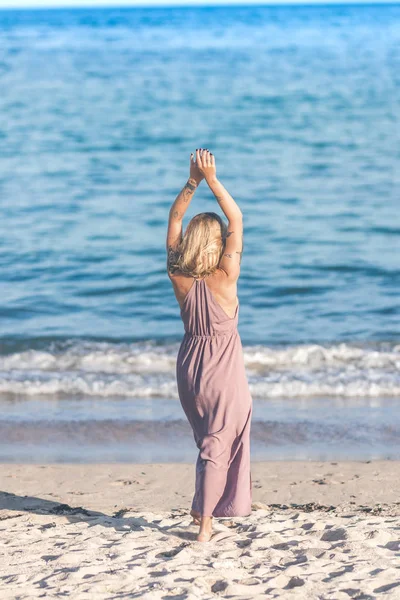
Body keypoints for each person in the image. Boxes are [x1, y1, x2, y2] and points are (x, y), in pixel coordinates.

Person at [166, 148, 253, 542]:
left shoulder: (178, 276)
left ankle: (205, 504)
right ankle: (204, 525)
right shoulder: (226, 276)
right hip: (222, 371)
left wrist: (191, 181)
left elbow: (175, 219)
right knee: (217, 444)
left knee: (208, 439)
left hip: (189, 368)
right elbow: (236, 218)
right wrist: (212, 179)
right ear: (216, 243)